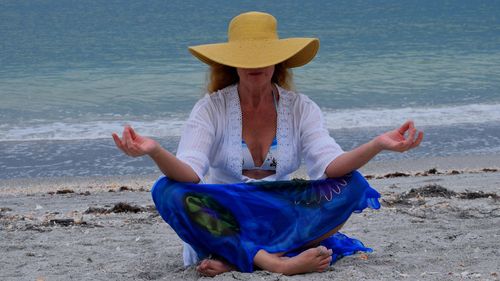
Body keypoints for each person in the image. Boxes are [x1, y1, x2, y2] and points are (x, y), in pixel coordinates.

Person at [112, 11, 423, 276]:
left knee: (353, 184)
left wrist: (379, 143)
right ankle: (271, 261)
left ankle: (237, 261)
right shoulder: (212, 108)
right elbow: (191, 173)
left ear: (279, 60)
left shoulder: (300, 108)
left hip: (279, 213)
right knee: (166, 190)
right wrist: (154, 150)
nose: (254, 64)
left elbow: (330, 165)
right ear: (230, 63)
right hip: (224, 215)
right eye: (244, 56)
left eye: (263, 55)